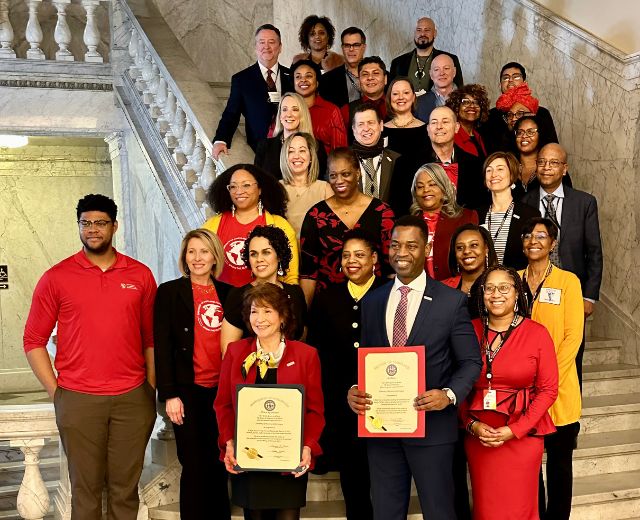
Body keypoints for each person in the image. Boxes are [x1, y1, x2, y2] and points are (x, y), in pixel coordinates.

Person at [23, 194, 157, 520]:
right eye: (86, 223)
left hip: (132, 399)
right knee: (85, 492)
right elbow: (33, 340)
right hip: (78, 398)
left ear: (114, 226)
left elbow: (151, 339)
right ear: (79, 227)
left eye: (100, 223)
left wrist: (149, 389)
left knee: (125, 491)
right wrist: (58, 393)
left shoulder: (139, 275)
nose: (92, 230)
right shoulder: (57, 277)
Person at [347, 215, 482, 520]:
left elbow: (471, 362)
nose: (401, 252)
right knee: (385, 513)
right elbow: (366, 362)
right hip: (382, 430)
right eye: (395, 245)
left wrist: (447, 395)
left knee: (438, 511)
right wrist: (354, 389)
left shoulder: (451, 302)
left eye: (411, 245)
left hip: (432, 430)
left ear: (427, 247)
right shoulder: (372, 301)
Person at [214, 283, 325, 520]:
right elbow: (223, 405)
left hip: (289, 460)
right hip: (249, 460)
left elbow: (315, 411)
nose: (260, 319)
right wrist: (229, 442)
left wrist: (307, 446)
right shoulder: (235, 353)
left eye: (268, 311)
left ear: (283, 316)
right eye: (254, 311)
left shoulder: (306, 355)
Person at [461, 265, 558, 520]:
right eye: (489, 288)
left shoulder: (537, 333)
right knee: (486, 509)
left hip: (521, 437)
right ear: (481, 294)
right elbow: (456, 385)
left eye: (504, 287)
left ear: (517, 293)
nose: (496, 294)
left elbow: (548, 390)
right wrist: (471, 425)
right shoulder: (467, 331)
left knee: (520, 509)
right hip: (480, 438)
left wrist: (516, 430)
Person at [154, 229, 232, 520]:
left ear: (215, 257)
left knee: (219, 461)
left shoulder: (229, 294)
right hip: (187, 391)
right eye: (191, 251)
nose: (197, 258)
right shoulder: (169, 292)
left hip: (221, 392)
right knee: (193, 463)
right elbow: (162, 346)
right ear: (184, 257)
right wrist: (170, 394)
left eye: (204, 252)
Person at [307, 228, 385, 520]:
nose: (352, 261)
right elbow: (319, 355)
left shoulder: (389, 294)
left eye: (360, 255)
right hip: (345, 408)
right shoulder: (328, 299)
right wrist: (343, 391)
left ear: (374, 258)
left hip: (385, 406)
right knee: (354, 483)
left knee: (386, 481)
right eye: (347, 255)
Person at [518, 217, 584, 520]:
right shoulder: (512, 280)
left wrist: (545, 378)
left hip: (560, 391)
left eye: (541, 236)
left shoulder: (568, 281)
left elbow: (573, 337)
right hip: (521, 392)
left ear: (553, 244)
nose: (534, 240)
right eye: (528, 235)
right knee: (528, 466)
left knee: (559, 465)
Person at [521, 143, 602, 384]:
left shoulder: (584, 202)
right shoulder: (525, 202)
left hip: (571, 292)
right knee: (532, 354)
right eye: (542, 162)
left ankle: (569, 416)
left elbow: (594, 252)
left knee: (571, 355)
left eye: (554, 163)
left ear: (564, 169)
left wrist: (589, 297)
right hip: (534, 290)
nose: (547, 168)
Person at [300, 147, 395, 305]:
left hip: (375, 302)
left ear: (357, 173)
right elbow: (309, 274)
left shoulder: (382, 212)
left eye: (346, 174)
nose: (339, 181)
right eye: (333, 176)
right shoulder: (315, 216)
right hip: (329, 306)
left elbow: (391, 269)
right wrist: (305, 320)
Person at [203, 163, 298, 287]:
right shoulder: (212, 225)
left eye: (246, 185)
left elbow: (290, 277)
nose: (239, 191)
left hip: (265, 302)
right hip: (222, 302)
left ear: (260, 189)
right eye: (233, 187)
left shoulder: (279, 225)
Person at [220, 225, 307, 353]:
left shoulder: (295, 293)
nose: (259, 259)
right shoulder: (238, 295)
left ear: (279, 256)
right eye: (253, 254)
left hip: (292, 370)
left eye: (266, 252)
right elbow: (229, 353)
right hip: (252, 371)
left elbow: (302, 342)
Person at [213, 24, 293, 158]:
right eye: (262, 42)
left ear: (280, 47)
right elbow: (231, 114)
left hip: (291, 149)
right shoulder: (241, 79)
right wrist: (221, 139)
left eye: (272, 42)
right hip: (259, 151)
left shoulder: (292, 76)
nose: (266, 47)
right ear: (256, 47)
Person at [409, 163, 478, 280]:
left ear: (443, 188)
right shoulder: (407, 224)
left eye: (432, 184)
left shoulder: (466, 217)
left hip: (457, 290)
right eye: (420, 187)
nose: (426, 190)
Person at [477, 151, 540, 269]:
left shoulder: (529, 214)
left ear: (512, 175)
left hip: (516, 281)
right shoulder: (476, 214)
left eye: (500, 169)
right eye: (489, 170)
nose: (493, 174)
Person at [421, 106, 489, 211]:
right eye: (434, 122)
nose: (439, 126)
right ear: (428, 129)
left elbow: (479, 206)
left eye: (445, 122)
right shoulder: (408, 163)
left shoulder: (475, 165)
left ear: (456, 127)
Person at [481, 62, 558, 154]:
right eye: (505, 78)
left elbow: (552, 148)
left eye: (516, 77)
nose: (510, 80)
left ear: (524, 83)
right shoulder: (490, 116)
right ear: (500, 85)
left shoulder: (540, 113)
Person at [254, 92, 327, 181]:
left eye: (295, 109)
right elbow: (257, 180)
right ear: (280, 116)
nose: (288, 114)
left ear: (302, 114)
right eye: (284, 109)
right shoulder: (264, 146)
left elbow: (320, 181)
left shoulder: (316, 146)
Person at [350, 103, 405, 213]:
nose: (366, 128)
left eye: (371, 123)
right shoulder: (342, 160)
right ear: (353, 129)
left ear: (381, 125)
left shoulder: (397, 160)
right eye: (360, 124)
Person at [389, 17, 463, 94]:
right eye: (419, 30)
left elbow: (460, 92)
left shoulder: (450, 59)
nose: (422, 34)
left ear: (435, 33)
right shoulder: (398, 62)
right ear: (414, 33)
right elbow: (391, 92)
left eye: (427, 30)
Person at [279, 132, 333, 237]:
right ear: (285, 157)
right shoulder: (275, 188)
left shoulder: (325, 189)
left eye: (302, 150)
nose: (296, 156)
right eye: (291, 151)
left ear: (311, 156)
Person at [291, 59, 347, 155]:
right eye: (298, 77)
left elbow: (340, 151)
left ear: (317, 82)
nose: (303, 80)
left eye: (308, 76)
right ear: (293, 83)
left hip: (324, 168)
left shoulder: (331, 111)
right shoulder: (286, 110)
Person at [443, 224, 498, 305]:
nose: (466, 251)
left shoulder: (501, 284)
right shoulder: (443, 287)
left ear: (486, 248)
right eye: (460, 247)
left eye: (474, 245)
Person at [382, 77, 429, 161]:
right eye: (395, 94)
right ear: (389, 98)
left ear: (413, 97)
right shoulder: (381, 130)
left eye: (406, 93)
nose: (401, 97)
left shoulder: (426, 130)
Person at [319, 27, 367, 108]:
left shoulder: (379, 75)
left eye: (356, 45)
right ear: (342, 48)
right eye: (347, 45)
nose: (351, 49)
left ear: (364, 47)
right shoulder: (327, 80)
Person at [342, 56, 389, 135]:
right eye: (365, 74)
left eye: (376, 73)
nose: (370, 77)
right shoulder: (347, 111)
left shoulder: (397, 105)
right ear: (359, 81)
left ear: (385, 79)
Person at [446, 84, 490, 161]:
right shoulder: (450, 136)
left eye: (476, 102)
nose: (472, 106)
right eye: (465, 102)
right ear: (456, 107)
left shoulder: (480, 137)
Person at [416, 54, 457, 123]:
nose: (441, 73)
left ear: (454, 71)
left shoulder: (467, 100)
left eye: (446, 68)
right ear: (431, 74)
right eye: (436, 69)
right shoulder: (418, 103)